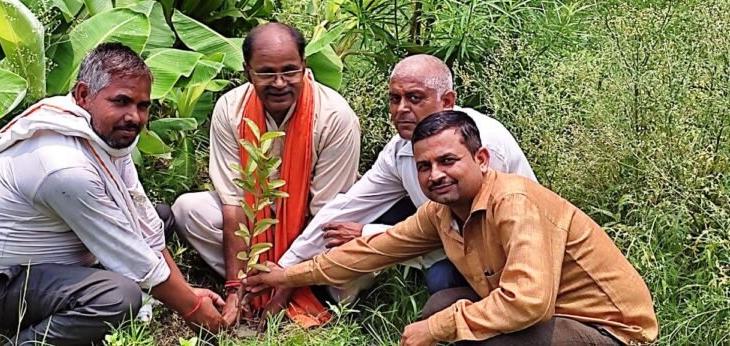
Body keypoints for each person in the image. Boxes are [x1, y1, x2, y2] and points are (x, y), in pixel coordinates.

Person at [246, 111, 658, 345]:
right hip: (556, 316)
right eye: (424, 166)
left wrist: (438, 329)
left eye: (447, 161)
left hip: (611, 333)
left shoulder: (514, 202)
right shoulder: (441, 213)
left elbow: (529, 302)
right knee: (441, 304)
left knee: (476, 333)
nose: (435, 175)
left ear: (480, 158)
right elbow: (371, 251)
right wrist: (283, 274)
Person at [0, 43, 226, 345]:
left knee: (160, 216)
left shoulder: (103, 133)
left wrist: (186, 293)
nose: (134, 117)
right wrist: (192, 309)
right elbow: (130, 253)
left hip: (55, 261)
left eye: (142, 105)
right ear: (84, 95)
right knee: (119, 298)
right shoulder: (62, 166)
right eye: (121, 101)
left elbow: (144, 224)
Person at [279, 54, 536, 297]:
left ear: (446, 102)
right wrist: (284, 271)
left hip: (506, 252)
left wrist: (368, 233)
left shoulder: (481, 142)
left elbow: (474, 233)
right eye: (395, 99)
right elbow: (350, 206)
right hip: (448, 239)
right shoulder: (401, 148)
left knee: (442, 281)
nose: (401, 109)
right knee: (366, 218)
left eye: (414, 98)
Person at [172, 22, 361, 327]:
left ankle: (294, 287)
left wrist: (282, 290)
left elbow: (323, 217)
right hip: (255, 221)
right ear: (248, 71)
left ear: (304, 67)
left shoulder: (334, 117)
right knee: (188, 210)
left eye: (289, 71)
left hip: (313, 228)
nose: (279, 83)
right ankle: (253, 284)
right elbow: (234, 203)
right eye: (266, 73)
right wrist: (234, 290)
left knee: (351, 266)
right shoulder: (230, 109)